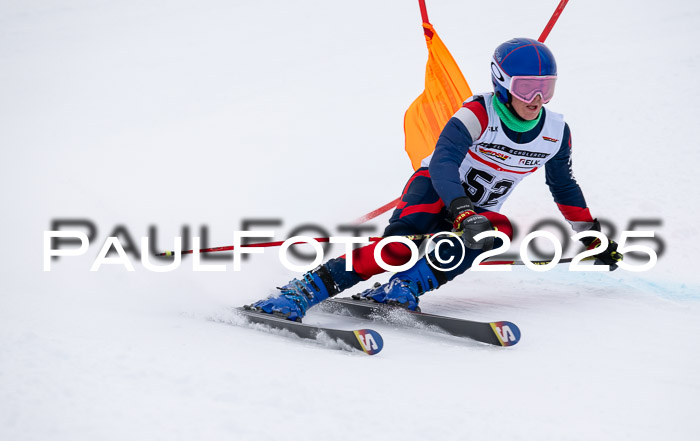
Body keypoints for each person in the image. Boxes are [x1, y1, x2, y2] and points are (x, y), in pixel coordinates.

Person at [247, 38, 623, 322]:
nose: (537, 98)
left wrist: (590, 236)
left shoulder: (556, 132)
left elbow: (564, 187)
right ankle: (300, 291)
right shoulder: (477, 113)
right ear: (502, 82)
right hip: (433, 190)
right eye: (526, 87)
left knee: (498, 229)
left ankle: (403, 288)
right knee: (397, 249)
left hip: (476, 212)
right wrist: (461, 212)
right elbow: (443, 163)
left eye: (547, 87)